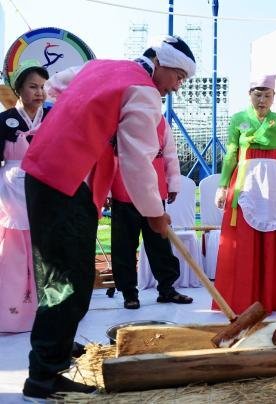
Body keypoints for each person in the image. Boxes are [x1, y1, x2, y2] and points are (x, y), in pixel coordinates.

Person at [20, 35, 196, 400]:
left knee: (58, 270)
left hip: (43, 170)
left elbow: (55, 87)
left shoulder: (100, 67)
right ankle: (43, 377)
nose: (177, 87)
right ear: (161, 65)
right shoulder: (144, 91)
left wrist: (80, 123)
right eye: (178, 78)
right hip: (68, 180)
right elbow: (137, 161)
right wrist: (155, 213)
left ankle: (57, 346)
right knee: (71, 280)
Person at [212, 74, 276, 314]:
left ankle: (275, 297)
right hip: (246, 182)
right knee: (243, 238)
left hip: (275, 185)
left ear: (274, 97)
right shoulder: (239, 119)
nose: (262, 100)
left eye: (267, 95)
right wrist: (223, 186)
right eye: (257, 94)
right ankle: (242, 297)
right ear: (249, 95)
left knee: (274, 233)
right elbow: (231, 154)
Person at [110, 117, 193, 309]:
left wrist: (173, 184)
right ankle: (129, 293)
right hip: (124, 189)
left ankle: (167, 289)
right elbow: (107, 156)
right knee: (124, 244)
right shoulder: (118, 119)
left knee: (160, 243)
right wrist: (106, 190)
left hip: (154, 191)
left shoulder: (161, 122)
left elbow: (170, 155)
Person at [0, 60, 49, 333]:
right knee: (14, 253)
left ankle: (45, 313)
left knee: (44, 253)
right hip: (12, 194)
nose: (39, 92)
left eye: (43, 87)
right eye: (33, 86)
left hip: (43, 189)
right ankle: (12, 314)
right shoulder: (4, 122)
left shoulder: (52, 118)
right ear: (19, 89)